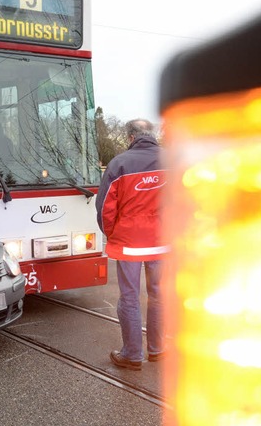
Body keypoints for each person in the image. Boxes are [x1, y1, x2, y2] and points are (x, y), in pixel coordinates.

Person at [95, 119, 168, 371]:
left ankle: (132, 354)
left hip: (129, 244)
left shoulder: (119, 164)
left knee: (129, 297)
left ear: (130, 138)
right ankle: (158, 349)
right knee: (158, 295)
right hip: (163, 242)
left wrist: (112, 234)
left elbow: (105, 207)